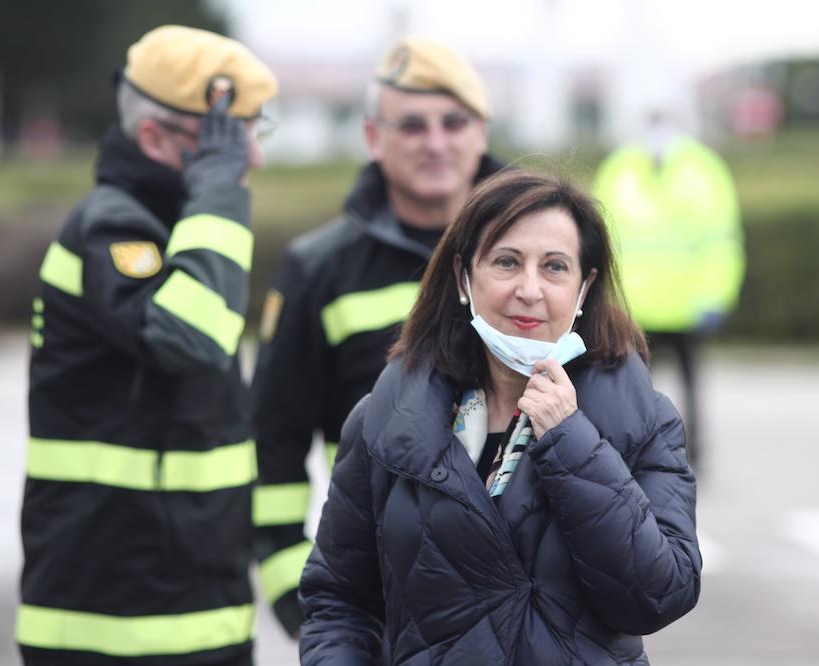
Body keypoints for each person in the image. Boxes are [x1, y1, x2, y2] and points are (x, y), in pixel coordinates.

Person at [299, 170, 701, 664]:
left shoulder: (643, 418)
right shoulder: (384, 421)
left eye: (555, 267)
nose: (529, 289)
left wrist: (571, 440)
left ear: (584, 288)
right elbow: (337, 599)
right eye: (507, 262)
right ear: (463, 278)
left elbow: (660, 594)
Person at [17, 25, 277, 665]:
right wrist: (218, 191)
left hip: (200, 612)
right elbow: (193, 336)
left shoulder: (182, 228)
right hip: (108, 627)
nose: (252, 160)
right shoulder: (113, 227)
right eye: (226, 139)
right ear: (156, 137)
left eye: (251, 133)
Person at [250, 36, 503, 636]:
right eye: (412, 125)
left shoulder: (545, 254)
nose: (435, 142)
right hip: (384, 609)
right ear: (373, 137)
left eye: (453, 122)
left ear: (482, 131)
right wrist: (303, 603)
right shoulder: (318, 271)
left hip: (527, 606)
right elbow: (272, 444)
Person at [593, 109, 745, 470]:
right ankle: (635, 452)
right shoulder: (619, 169)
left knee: (689, 385)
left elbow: (720, 239)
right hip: (634, 307)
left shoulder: (703, 169)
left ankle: (695, 454)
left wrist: (715, 296)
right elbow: (598, 237)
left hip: (686, 305)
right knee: (632, 387)